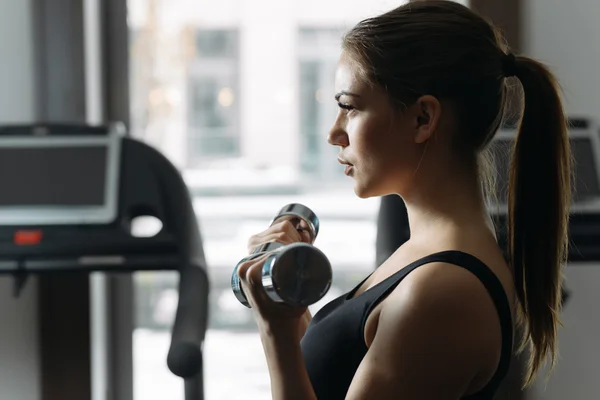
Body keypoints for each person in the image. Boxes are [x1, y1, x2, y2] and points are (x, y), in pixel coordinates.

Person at [236, 1, 572, 399]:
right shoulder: (423, 257)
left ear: (422, 119)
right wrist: (287, 313)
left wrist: (275, 332)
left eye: (349, 107)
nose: (333, 133)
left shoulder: (443, 291)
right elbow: (336, 378)